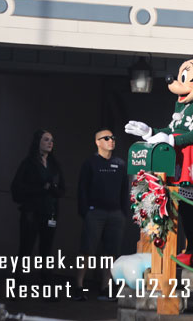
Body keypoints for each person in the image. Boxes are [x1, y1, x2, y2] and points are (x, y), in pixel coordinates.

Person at [74, 128, 128, 301]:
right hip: (94, 212)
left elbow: (124, 189)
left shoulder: (120, 163)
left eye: (113, 137)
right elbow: (82, 189)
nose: (111, 140)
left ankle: (105, 288)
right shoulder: (90, 163)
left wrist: (123, 212)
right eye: (106, 138)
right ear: (97, 142)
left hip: (115, 214)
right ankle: (78, 286)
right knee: (86, 250)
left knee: (111, 252)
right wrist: (85, 211)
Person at [11, 129, 65, 259]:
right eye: (46, 140)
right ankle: (20, 278)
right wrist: (41, 188)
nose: (50, 143)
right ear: (38, 143)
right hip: (32, 213)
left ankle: (45, 278)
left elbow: (62, 189)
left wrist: (52, 188)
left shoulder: (55, 165)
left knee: (46, 250)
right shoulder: (28, 163)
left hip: (50, 213)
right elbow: (16, 188)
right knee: (26, 248)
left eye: (52, 140)